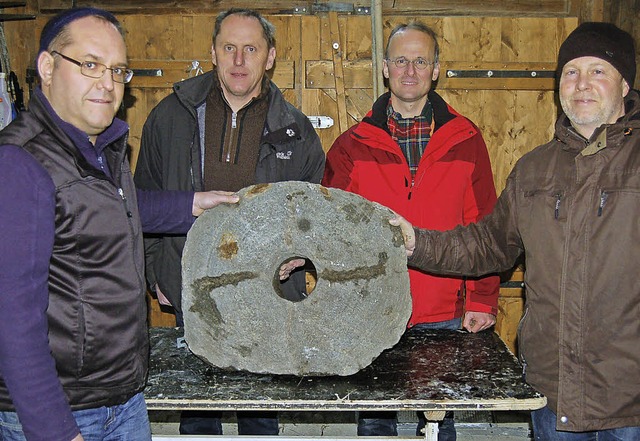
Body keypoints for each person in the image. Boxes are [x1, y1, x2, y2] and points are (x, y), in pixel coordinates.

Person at [390, 22, 640, 441]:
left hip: (629, 392)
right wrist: (417, 241)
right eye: (571, 72)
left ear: (625, 84)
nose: (581, 84)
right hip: (553, 386)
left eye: (597, 71)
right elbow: (489, 244)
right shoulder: (535, 169)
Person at [0, 8, 239, 441]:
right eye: (90, 64)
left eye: (117, 70)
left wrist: (192, 204)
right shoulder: (20, 164)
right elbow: (11, 318)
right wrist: (54, 430)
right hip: (65, 411)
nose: (108, 83)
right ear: (48, 67)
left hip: (121, 399)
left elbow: (113, 208)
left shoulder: (97, 148)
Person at [133, 8, 325, 436]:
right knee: (200, 409)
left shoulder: (296, 130)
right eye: (229, 48)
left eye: (251, 49)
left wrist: (296, 259)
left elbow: (313, 218)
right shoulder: (170, 116)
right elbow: (140, 200)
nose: (239, 61)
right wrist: (154, 274)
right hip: (192, 282)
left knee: (260, 409)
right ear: (214, 53)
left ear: (270, 56)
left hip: (269, 292)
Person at [321, 21, 499, 439]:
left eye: (421, 61)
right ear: (385, 67)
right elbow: (329, 235)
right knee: (375, 421)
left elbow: (486, 231)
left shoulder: (466, 139)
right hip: (372, 310)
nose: (410, 71)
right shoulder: (351, 146)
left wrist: (483, 298)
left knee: (439, 423)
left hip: (444, 311)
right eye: (401, 60)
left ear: (436, 69)